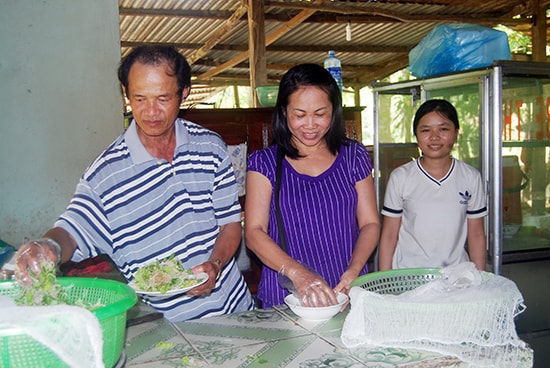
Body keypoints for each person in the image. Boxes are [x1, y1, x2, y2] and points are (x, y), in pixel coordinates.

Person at [14, 46, 255, 321]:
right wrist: (49, 247)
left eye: (163, 98)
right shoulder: (105, 175)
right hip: (166, 327)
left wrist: (215, 264)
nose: (151, 112)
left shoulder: (211, 147)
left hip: (236, 311)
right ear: (126, 94)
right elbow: (70, 232)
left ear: (184, 93)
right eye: (139, 99)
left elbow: (230, 224)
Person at [244, 63, 380, 308]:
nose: (310, 125)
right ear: (284, 112)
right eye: (299, 115)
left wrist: (354, 271)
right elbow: (254, 233)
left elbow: (370, 223)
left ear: (334, 111)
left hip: (344, 291)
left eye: (320, 114)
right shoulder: (264, 163)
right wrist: (299, 274)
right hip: (285, 298)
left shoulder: (353, 156)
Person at [378, 99, 487, 271]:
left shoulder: (470, 177)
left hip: (456, 276)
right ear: (416, 135)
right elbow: (389, 235)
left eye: (443, 129)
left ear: (456, 132)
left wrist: (480, 278)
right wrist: (384, 282)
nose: (434, 137)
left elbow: (477, 234)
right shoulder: (401, 177)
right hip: (408, 277)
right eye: (426, 130)